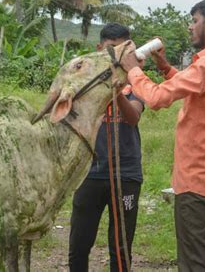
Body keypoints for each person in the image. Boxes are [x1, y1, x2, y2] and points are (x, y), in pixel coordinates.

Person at [120, 0, 205, 271]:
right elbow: (197, 84)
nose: (190, 27)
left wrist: (133, 70)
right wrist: (164, 67)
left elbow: (155, 98)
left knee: (195, 262)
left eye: (194, 20)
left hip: (195, 182)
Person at [68, 22, 144, 272]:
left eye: (122, 49)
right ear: (100, 48)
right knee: (79, 244)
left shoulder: (135, 81)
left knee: (121, 247)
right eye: (111, 48)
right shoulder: (82, 82)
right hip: (88, 173)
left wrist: (118, 92)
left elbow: (133, 117)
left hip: (126, 175)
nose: (116, 55)